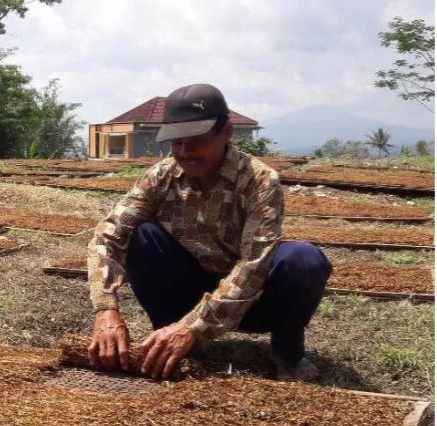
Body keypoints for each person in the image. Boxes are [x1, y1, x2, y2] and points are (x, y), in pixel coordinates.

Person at [86, 83, 332, 381]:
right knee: (143, 235)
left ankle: (288, 354)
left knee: (304, 259)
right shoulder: (160, 177)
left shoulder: (258, 180)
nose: (185, 152)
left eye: (197, 141)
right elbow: (108, 234)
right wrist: (106, 308)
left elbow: (253, 266)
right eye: (177, 142)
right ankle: (171, 339)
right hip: (186, 293)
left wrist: (194, 326)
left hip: (254, 301)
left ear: (226, 132)